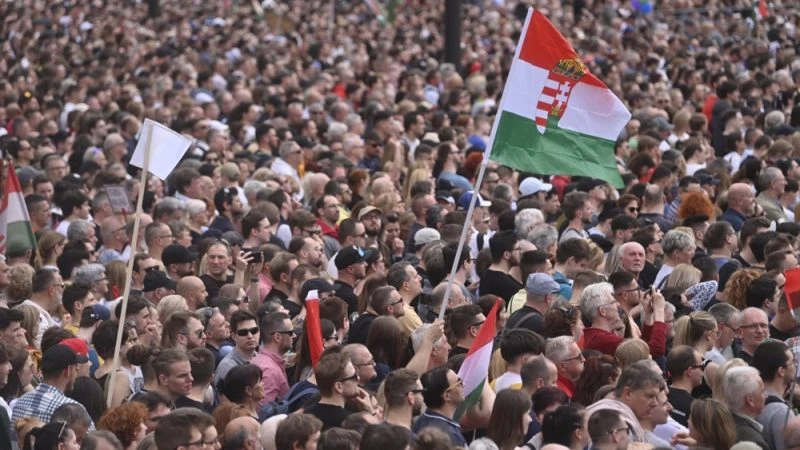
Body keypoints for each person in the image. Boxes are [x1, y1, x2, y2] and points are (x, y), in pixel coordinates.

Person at [12, 344, 94, 429]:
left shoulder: (19, 403)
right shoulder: (73, 410)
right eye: (76, 369)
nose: (76, 374)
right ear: (68, 371)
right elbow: (91, 440)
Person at [752, 340, 796, 450]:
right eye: (792, 362)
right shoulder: (781, 412)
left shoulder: (750, 400)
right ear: (781, 371)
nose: (795, 366)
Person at [413, 366, 467, 448]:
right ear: (447, 395)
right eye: (458, 382)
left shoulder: (419, 422)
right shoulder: (451, 436)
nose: (463, 384)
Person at [303, 353, 359, 430]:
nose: (358, 378)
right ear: (339, 386)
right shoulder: (351, 423)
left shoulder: (305, 416)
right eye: (354, 376)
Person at [721, 366, 770, 450]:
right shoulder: (753, 442)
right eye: (762, 392)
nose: (766, 396)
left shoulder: (721, 423)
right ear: (750, 400)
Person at [252, 311, 293, 404]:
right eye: (290, 333)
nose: (294, 336)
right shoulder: (270, 371)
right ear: (277, 337)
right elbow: (264, 412)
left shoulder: (261, 360)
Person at [215, 310, 260, 385]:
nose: (250, 336)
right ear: (233, 336)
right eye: (243, 332)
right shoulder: (227, 367)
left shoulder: (260, 359)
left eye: (254, 330)